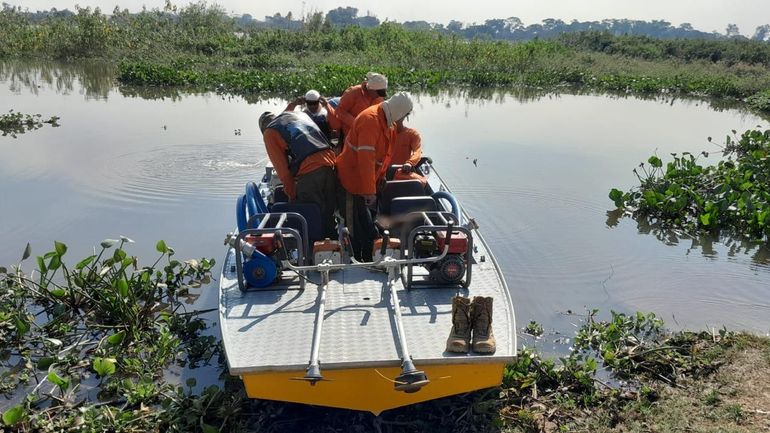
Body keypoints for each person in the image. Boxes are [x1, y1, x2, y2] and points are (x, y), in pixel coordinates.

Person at [335, 92, 413, 261]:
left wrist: (382, 176)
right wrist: (369, 191)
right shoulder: (370, 121)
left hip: (367, 180)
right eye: (405, 116)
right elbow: (365, 160)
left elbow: (385, 155)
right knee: (353, 223)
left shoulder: (388, 122)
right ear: (400, 112)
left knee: (365, 220)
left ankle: (369, 251)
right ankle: (356, 259)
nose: (404, 120)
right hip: (352, 180)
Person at [259, 110, 337, 238]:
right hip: (330, 164)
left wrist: (292, 196)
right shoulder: (295, 115)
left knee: (311, 217)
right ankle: (333, 245)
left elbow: (283, 174)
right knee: (328, 214)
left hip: (310, 172)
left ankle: (314, 252)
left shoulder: (269, 133)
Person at [334, 72, 388, 137]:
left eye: (382, 93)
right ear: (371, 89)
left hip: (370, 132)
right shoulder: (353, 92)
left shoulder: (379, 97)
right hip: (350, 133)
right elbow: (339, 111)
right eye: (378, 93)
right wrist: (356, 123)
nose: (379, 96)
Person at [391, 117, 426, 185]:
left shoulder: (412, 134)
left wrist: (409, 163)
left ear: (404, 116)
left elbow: (417, 151)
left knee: (422, 183)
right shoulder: (383, 133)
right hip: (382, 172)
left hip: (403, 171)